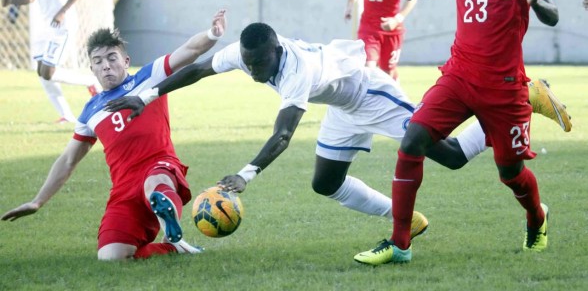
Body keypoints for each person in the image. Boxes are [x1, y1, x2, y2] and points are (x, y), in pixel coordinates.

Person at [104, 18, 568, 243]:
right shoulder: (246, 56)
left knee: (448, 155)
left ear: (275, 51)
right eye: (248, 64)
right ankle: (403, 217)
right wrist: (145, 94)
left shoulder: (296, 70)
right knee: (325, 182)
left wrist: (247, 173)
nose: (254, 71)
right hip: (342, 109)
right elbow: (197, 70)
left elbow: (283, 134)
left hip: (370, 94)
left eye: (260, 64)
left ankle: (523, 100)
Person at [353, 0, 559, 265]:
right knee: (413, 138)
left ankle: (536, 217)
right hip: (458, 76)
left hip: (503, 85)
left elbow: (551, 13)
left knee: (510, 173)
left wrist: (538, 1)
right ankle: (400, 244)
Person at [1, 10, 227, 260]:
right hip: (124, 189)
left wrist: (212, 34)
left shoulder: (149, 77)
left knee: (156, 187)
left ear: (126, 60)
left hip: (159, 167)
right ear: (92, 68)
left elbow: (189, 50)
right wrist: (38, 201)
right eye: (98, 61)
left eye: (112, 57)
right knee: (111, 257)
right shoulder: (90, 112)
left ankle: (168, 220)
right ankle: (173, 246)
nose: (105, 65)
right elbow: (68, 161)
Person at [1, 0, 101, 124]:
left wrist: (63, 11)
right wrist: (11, 1)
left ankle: (90, 81)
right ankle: (66, 115)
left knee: (49, 71)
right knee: (41, 72)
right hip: (45, 26)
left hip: (62, 24)